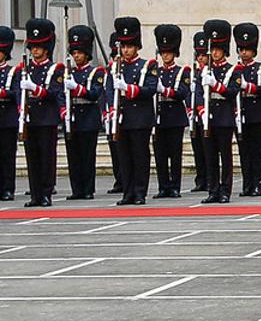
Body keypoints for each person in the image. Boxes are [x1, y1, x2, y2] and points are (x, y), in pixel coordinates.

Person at [109, 18, 159, 205]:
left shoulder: (148, 65)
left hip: (140, 117)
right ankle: (127, 191)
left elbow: (150, 88)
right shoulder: (116, 66)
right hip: (122, 117)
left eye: (129, 46)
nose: (126, 50)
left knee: (139, 156)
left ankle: (139, 191)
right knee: (124, 156)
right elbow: (108, 90)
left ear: (137, 47)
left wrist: (129, 89)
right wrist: (111, 110)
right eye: (123, 47)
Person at [18, 19, 60, 207]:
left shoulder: (56, 69)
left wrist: (34, 88)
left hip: (46, 117)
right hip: (30, 117)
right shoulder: (25, 69)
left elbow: (54, 93)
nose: (35, 50)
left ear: (46, 47)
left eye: (39, 47)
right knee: (32, 157)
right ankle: (35, 194)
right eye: (33, 46)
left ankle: (45, 193)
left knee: (46, 157)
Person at [199, 20, 240, 204]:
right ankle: (213, 189)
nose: (214, 52)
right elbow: (197, 94)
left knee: (225, 155)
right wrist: (200, 111)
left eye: (218, 49)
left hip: (224, 115)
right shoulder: (204, 70)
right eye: (212, 49)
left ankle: (225, 189)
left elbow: (232, 92)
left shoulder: (233, 70)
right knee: (210, 155)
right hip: (208, 116)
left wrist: (216, 85)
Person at [63, 25, 105, 201]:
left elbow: (94, 93)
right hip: (72, 118)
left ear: (87, 53)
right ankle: (76, 189)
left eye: (80, 52)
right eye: (74, 52)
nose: (76, 56)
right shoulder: (67, 72)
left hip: (88, 117)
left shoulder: (96, 72)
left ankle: (88, 189)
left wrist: (76, 88)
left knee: (87, 156)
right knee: (73, 156)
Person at [152, 25, 191, 198]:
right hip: (159, 116)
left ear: (174, 53)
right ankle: (163, 186)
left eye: (168, 52)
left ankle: (175, 186)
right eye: (163, 52)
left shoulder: (183, 71)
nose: (165, 55)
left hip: (175, 116)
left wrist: (165, 90)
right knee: (160, 154)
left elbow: (183, 92)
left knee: (175, 154)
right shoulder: (156, 71)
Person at [232, 23, 261, 197]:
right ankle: (247, 183)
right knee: (244, 151)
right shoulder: (235, 69)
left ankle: (257, 183)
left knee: (257, 151)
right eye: (241, 49)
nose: (244, 53)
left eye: (247, 49)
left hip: (258, 113)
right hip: (241, 113)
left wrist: (248, 87)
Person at [189, 31, 211, 195]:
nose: (201, 58)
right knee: (198, 149)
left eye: (204, 55)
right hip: (196, 116)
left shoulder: (210, 73)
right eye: (199, 55)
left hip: (208, 115)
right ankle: (201, 179)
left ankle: (210, 179)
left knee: (208, 149)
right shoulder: (194, 73)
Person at [0, 27, 17, 201]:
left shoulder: (13, 71)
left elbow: (17, 92)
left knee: (7, 155)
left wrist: (3, 93)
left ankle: (7, 188)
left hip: (7, 118)